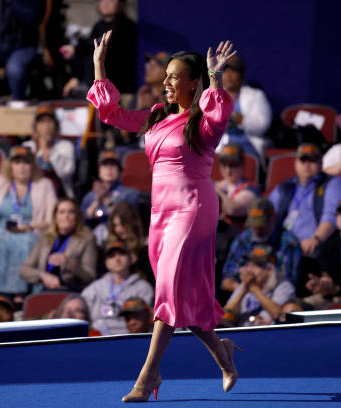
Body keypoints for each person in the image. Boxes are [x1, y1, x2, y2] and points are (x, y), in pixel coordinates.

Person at [87, 32, 242, 401]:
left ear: (193, 82)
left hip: (194, 208)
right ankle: (223, 354)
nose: (167, 82)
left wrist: (216, 78)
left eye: (175, 76)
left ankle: (149, 373)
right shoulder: (157, 115)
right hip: (161, 213)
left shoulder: (202, 120)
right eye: (166, 76)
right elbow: (113, 114)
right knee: (180, 300)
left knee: (169, 289)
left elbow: (219, 116)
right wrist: (99, 66)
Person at [0, 146, 57, 301]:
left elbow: (51, 220)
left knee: (28, 243)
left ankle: (19, 295)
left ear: (33, 166)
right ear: (10, 166)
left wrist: (29, 227)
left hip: (29, 230)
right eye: (17, 163)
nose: (21, 167)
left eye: (26, 163)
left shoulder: (44, 185)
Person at [268, 143, 341, 256]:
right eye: (303, 160)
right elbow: (268, 212)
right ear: (296, 163)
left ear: (321, 162)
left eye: (312, 160)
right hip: (282, 245)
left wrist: (316, 239)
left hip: (314, 248)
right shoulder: (285, 186)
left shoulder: (332, 183)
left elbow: (331, 216)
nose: (307, 165)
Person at [221, 198, 302, 305]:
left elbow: (289, 281)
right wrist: (243, 286)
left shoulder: (289, 243)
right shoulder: (243, 240)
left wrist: (261, 282)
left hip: (276, 298)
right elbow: (227, 279)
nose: (257, 229)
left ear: (273, 218)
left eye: (262, 224)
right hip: (243, 297)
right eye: (254, 224)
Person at [61, 0, 137, 97]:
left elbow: (102, 44)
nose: (106, 3)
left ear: (122, 4)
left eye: (111, 1)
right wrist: (77, 77)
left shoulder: (127, 26)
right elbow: (89, 54)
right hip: (95, 86)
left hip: (118, 89)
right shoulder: (98, 25)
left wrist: (76, 49)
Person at [20, 198, 97, 292]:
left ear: (77, 216)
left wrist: (71, 264)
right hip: (45, 289)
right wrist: (43, 275)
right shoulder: (45, 237)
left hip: (71, 290)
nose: (66, 216)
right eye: (62, 212)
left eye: (71, 212)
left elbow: (90, 276)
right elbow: (24, 269)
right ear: (55, 217)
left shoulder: (87, 238)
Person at [81, 241, 153, 335]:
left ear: (131, 259)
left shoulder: (144, 288)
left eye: (122, 254)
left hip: (129, 336)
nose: (117, 258)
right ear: (106, 263)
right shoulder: (95, 287)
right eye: (111, 256)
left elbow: (143, 321)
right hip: (98, 338)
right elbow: (81, 309)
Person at [223, 245, 295, 327]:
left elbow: (277, 313)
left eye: (254, 266)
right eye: (248, 265)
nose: (249, 270)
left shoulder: (284, 287)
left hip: (269, 334)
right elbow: (225, 317)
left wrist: (255, 289)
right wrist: (242, 292)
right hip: (243, 333)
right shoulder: (245, 285)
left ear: (269, 269)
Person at [217, 55, 272, 162]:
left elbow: (262, 126)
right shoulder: (213, 94)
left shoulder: (256, 95)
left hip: (247, 148)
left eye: (233, 71)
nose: (228, 75)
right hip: (219, 147)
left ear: (241, 75)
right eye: (225, 70)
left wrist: (236, 118)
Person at [23, 107, 76, 198]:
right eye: (42, 122)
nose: (46, 126)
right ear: (36, 126)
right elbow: (22, 175)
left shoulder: (66, 146)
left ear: (56, 126)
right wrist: (38, 149)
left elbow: (65, 173)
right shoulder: (27, 146)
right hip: (31, 194)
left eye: (49, 121)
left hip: (59, 195)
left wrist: (49, 149)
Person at [80, 150, 140, 230]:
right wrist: (96, 202)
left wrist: (107, 201)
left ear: (119, 171)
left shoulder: (130, 194)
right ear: (99, 171)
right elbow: (81, 222)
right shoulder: (89, 196)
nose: (109, 168)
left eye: (113, 165)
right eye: (105, 165)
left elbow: (129, 221)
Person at [215, 142, 260, 229]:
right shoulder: (218, 185)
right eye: (224, 165)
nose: (228, 170)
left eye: (233, 165)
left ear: (242, 165)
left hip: (236, 235)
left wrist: (215, 190)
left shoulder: (251, 188)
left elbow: (233, 209)